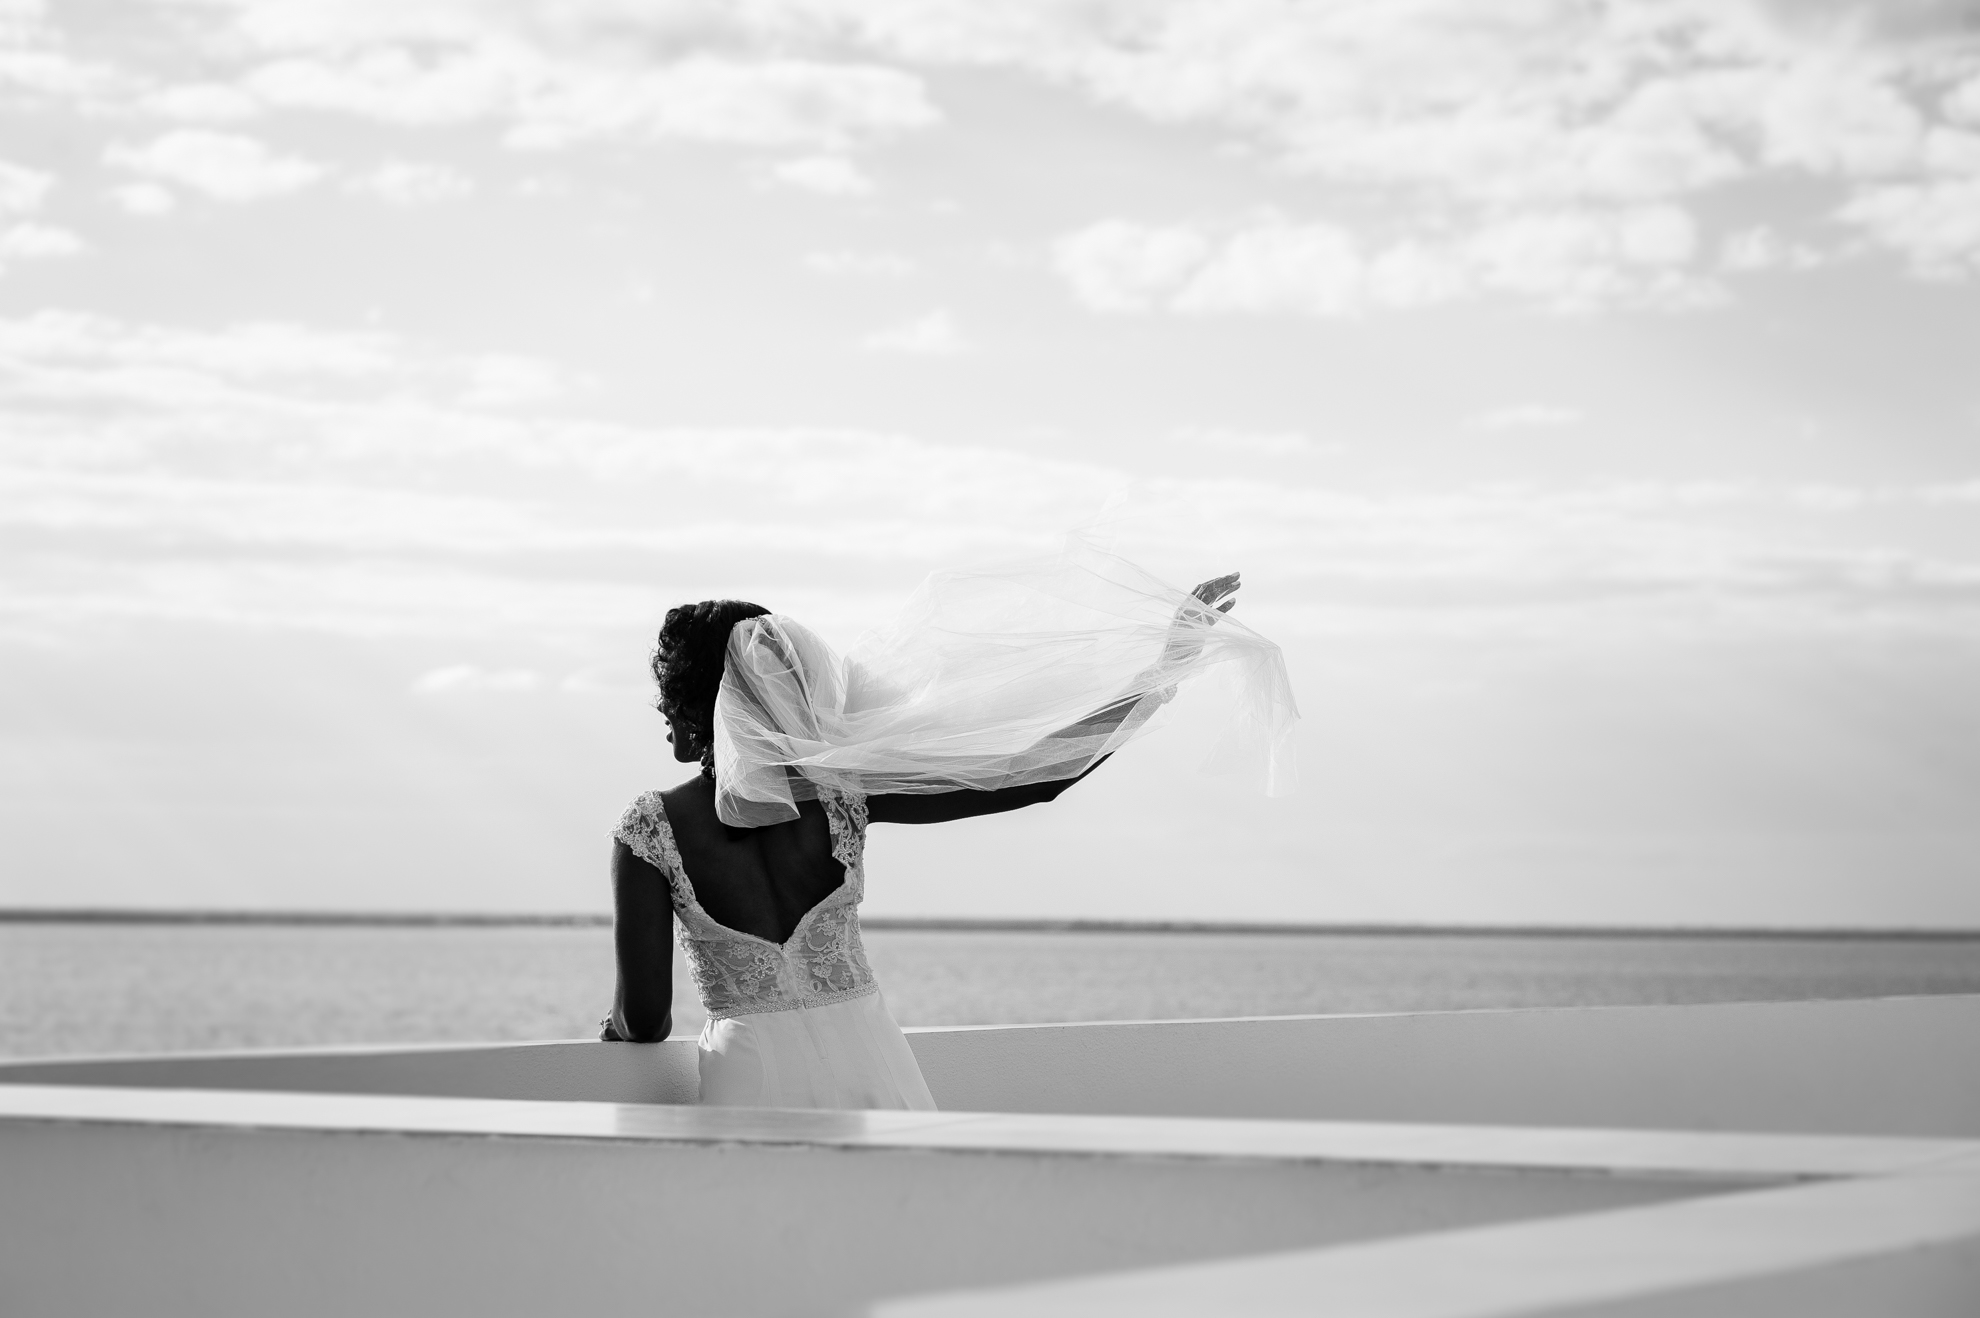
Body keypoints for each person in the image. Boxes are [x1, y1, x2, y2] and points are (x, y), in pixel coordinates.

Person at [602, 546, 1288, 1110]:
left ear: (701, 709)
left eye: (668, 700)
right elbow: (1034, 776)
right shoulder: (841, 796)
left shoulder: (651, 830)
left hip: (748, 1080)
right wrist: (1162, 668)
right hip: (868, 1062)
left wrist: (614, 1026)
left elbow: (648, 1019)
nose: (664, 715)